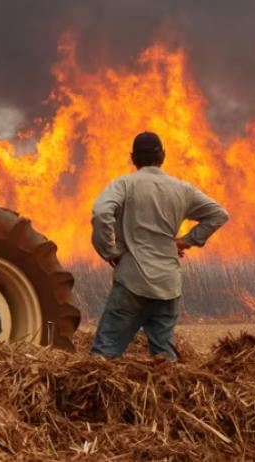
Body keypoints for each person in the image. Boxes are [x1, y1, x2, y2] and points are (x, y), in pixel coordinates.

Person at [90, 131, 229, 360]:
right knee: (164, 363)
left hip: (132, 281)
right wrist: (186, 241)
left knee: (104, 356)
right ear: (163, 156)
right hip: (168, 286)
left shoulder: (124, 185)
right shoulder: (182, 189)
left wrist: (110, 251)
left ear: (133, 158)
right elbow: (219, 214)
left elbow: (101, 212)